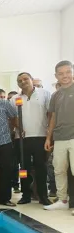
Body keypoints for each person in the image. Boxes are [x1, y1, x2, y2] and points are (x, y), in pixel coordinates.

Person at [13, 72, 52, 206]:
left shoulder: (44, 94)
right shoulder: (15, 98)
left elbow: (50, 114)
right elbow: (13, 118)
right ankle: (25, 194)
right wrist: (18, 125)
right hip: (22, 140)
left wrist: (49, 134)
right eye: (20, 80)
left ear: (31, 79)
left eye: (25, 79)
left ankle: (43, 195)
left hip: (40, 137)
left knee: (41, 167)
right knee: (24, 169)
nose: (23, 82)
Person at [45, 60, 74, 212]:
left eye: (68, 72)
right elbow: (53, 118)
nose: (65, 76)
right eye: (61, 73)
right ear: (56, 76)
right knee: (59, 169)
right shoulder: (55, 95)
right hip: (60, 137)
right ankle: (63, 200)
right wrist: (49, 138)